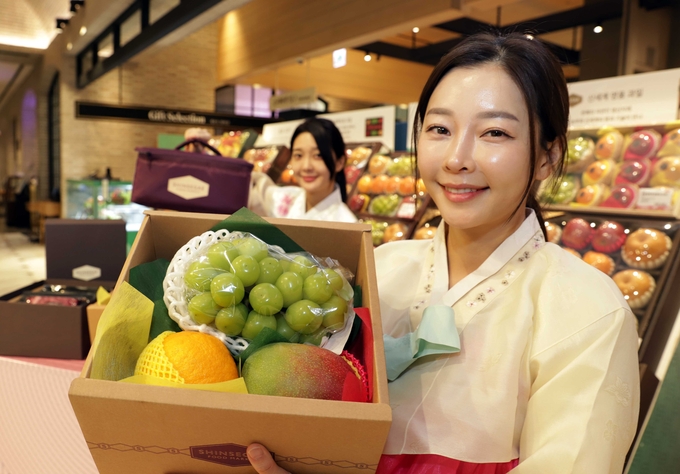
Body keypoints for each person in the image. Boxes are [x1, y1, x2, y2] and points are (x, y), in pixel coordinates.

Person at [246, 31, 640, 474]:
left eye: (494, 132)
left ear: (548, 156)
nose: (457, 158)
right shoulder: (377, 270)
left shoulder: (587, 310)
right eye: (439, 129)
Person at [247, 118, 357, 223]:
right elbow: (258, 190)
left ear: (340, 163)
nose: (306, 166)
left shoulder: (347, 224)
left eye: (318, 155)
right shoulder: (287, 198)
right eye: (298, 155)